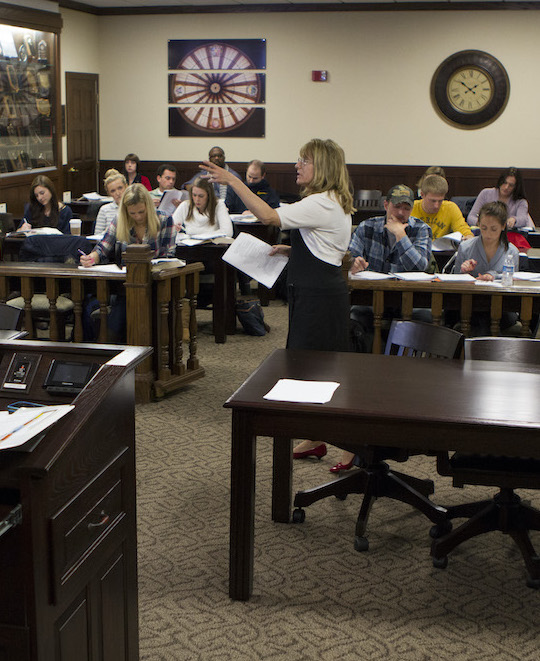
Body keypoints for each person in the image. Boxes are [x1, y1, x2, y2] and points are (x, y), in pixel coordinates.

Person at [202, 138, 354, 462]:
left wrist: (233, 180)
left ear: (323, 168)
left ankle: (351, 445)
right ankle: (316, 436)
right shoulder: (324, 202)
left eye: (305, 161)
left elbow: (269, 217)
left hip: (320, 299)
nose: (297, 165)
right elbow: (326, 248)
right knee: (309, 370)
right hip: (313, 293)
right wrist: (293, 249)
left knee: (318, 371)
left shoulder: (323, 203)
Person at [80, 184, 176, 341]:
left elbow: (169, 257)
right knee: (123, 304)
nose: (137, 217)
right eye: (132, 213)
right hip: (126, 285)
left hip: (155, 283)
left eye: (141, 212)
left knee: (123, 310)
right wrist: (91, 258)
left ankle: (116, 345)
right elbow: (103, 248)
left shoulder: (164, 220)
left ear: (149, 208)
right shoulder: (120, 220)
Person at [454, 201, 519, 335]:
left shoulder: (512, 251)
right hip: (471, 303)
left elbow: (513, 281)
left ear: (503, 226)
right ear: (478, 224)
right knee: (478, 317)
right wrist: (464, 271)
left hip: (502, 305)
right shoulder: (466, 247)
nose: (488, 234)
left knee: (490, 319)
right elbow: (454, 281)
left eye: (493, 229)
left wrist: (493, 277)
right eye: (483, 228)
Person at [467, 167, 532, 229]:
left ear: (516, 187)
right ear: (500, 181)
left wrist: (515, 220)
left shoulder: (521, 201)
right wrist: (484, 224)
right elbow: (470, 218)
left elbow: (523, 220)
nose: (506, 187)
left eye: (511, 185)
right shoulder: (485, 193)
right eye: (505, 183)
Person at [411, 175, 473, 240]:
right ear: (422, 195)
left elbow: (462, 228)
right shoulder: (411, 208)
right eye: (433, 201)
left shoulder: (450, 207)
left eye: (440, 201)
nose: (436, 205)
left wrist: (468, 236)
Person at [94, 169, 127, 235]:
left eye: (120, 188)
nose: (118, 193)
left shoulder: (135, 206)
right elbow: (97, 236)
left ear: (126, 186)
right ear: (109, 194)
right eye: (113, 191)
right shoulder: (104, 209)